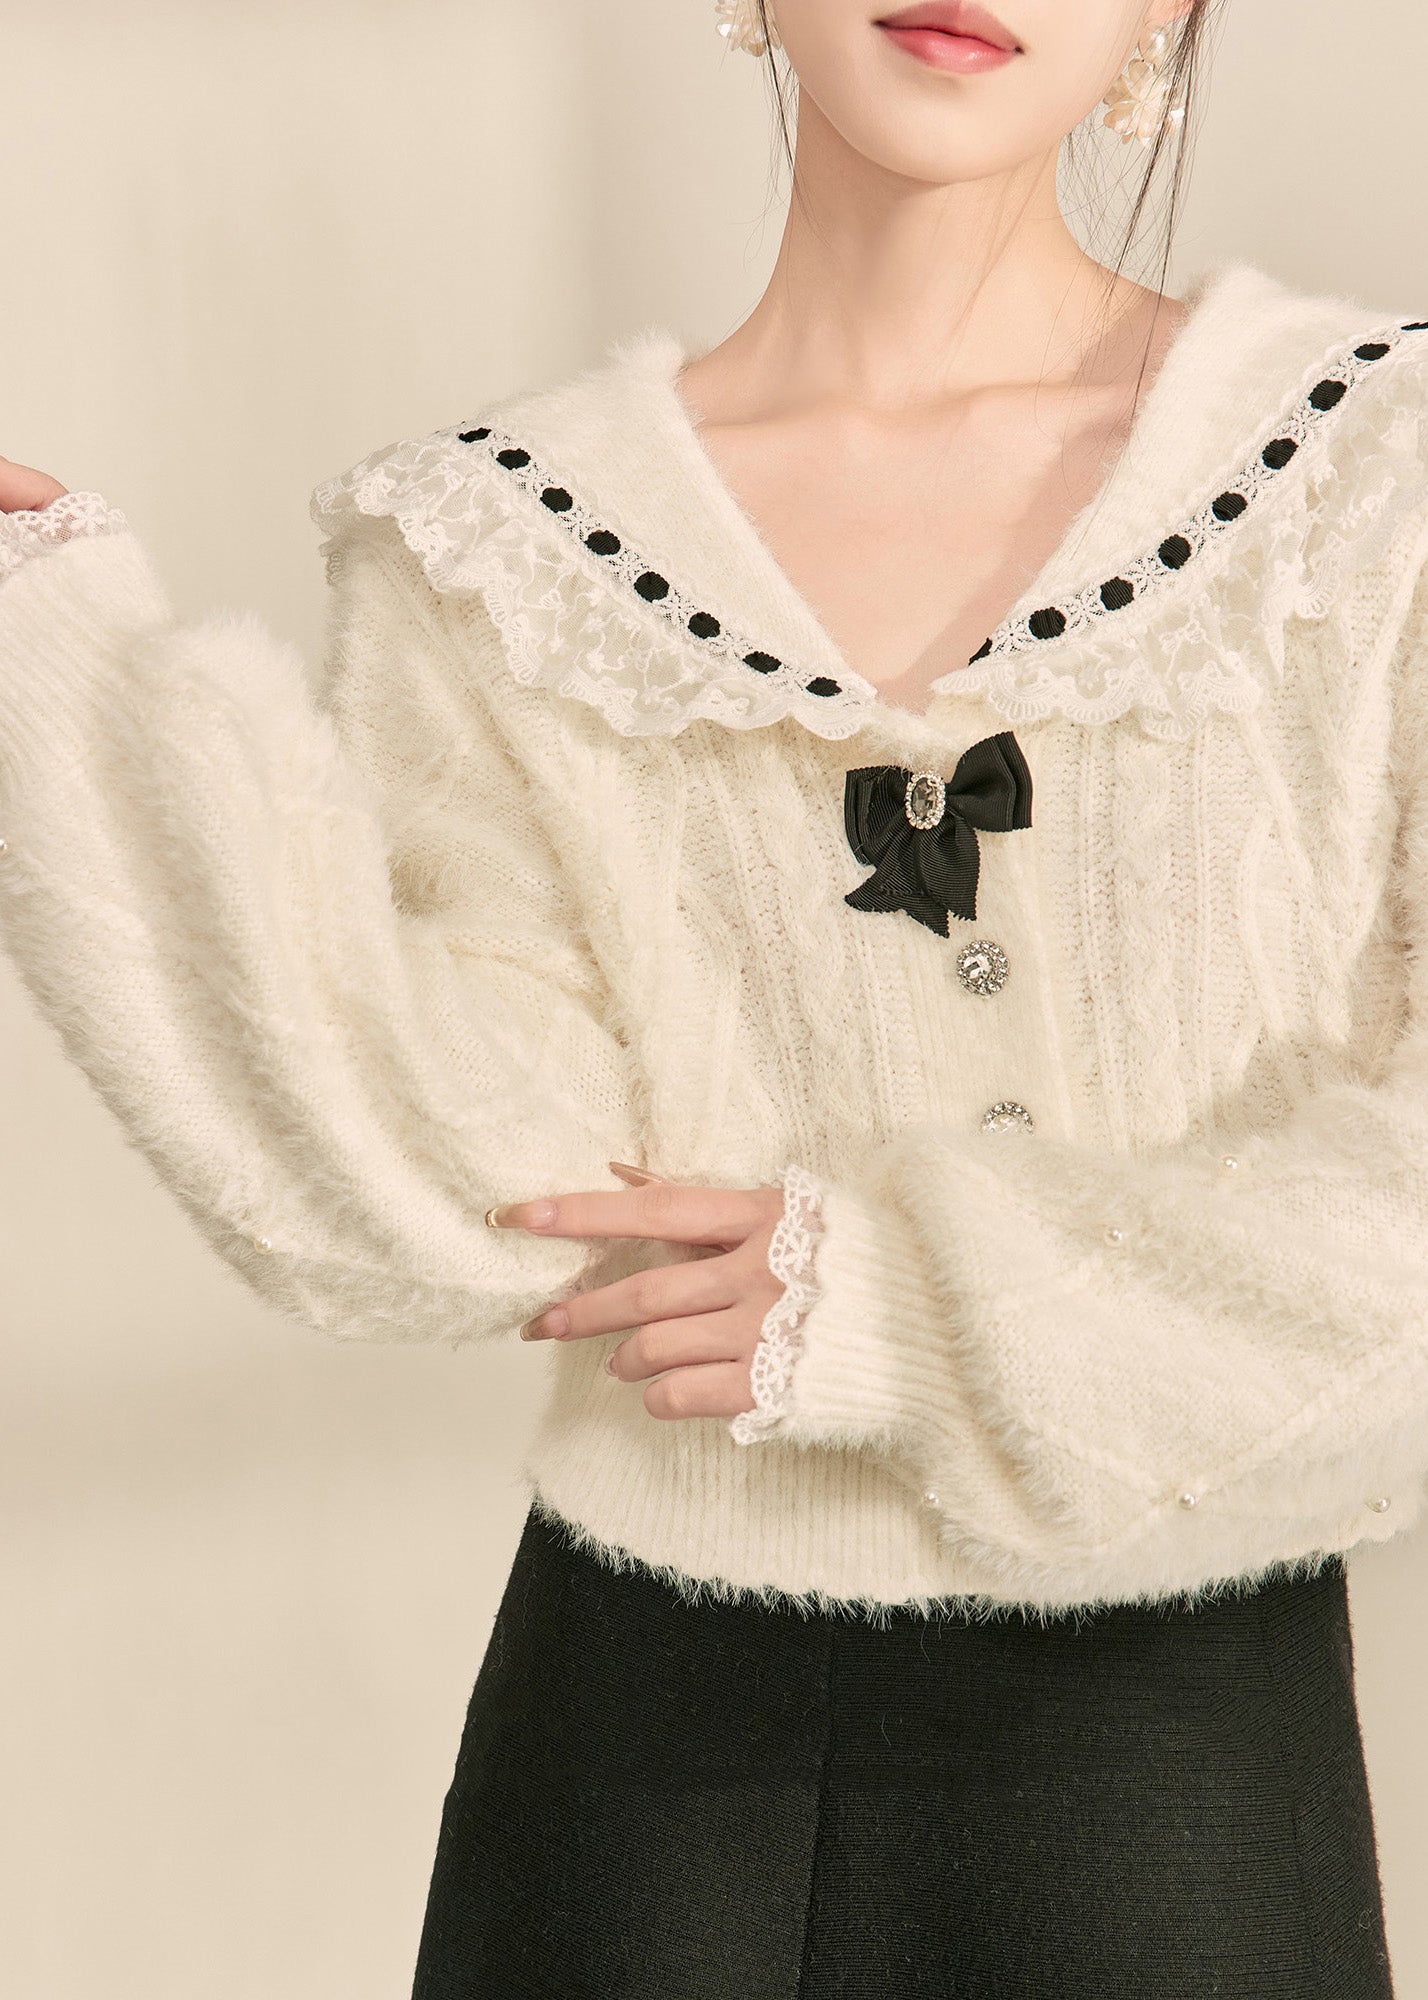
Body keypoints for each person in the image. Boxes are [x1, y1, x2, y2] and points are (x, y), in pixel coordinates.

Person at [1, 0, 1423, 1991]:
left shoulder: (1372, 484)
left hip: (1171, 1788)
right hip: (641, 1774)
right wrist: (56, 683)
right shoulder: (494, 550)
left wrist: (912, 1312)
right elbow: (471, 1186)